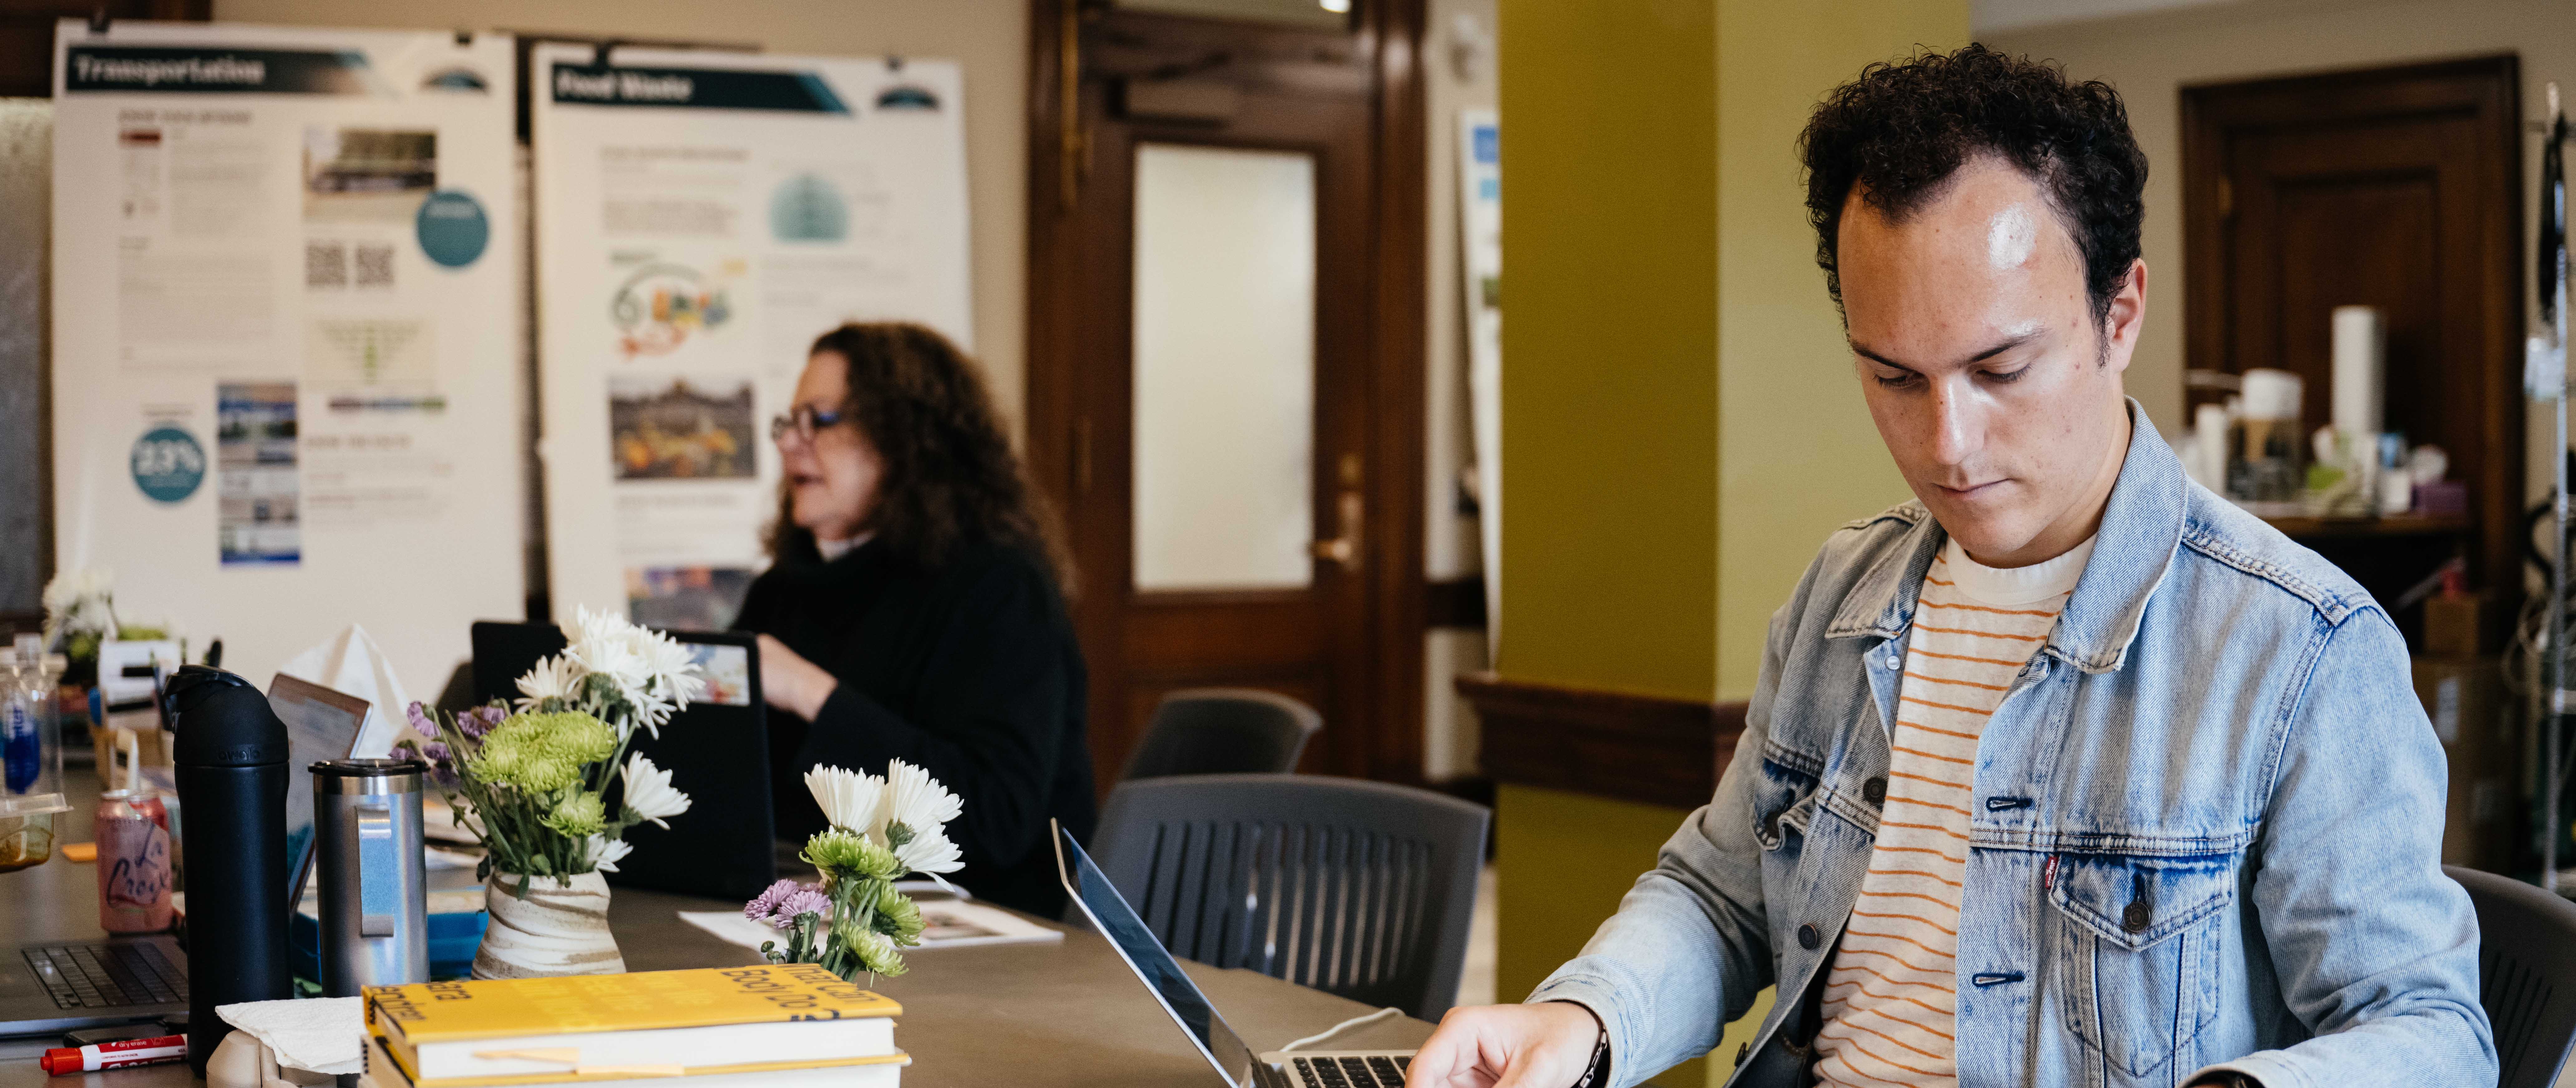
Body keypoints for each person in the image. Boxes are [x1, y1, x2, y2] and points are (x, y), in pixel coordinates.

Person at [1408, 46, 2492, 1088]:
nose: (1946, 443)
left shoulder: (2296, 644)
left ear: (2118, 313)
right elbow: (1721, 893)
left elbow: (2429, 1030)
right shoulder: (1844, 591)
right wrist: (1580, 1015)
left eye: (1998, 367)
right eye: (1892, 377)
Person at [732, 322, 1096, 918]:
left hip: (985, 927)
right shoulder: (786, 587)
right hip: (812, 909)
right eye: (789, 423)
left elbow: (994, 817)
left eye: (820, 422)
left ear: (905, 442)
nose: (790, 444)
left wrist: (809, 691)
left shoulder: (1000, 588)